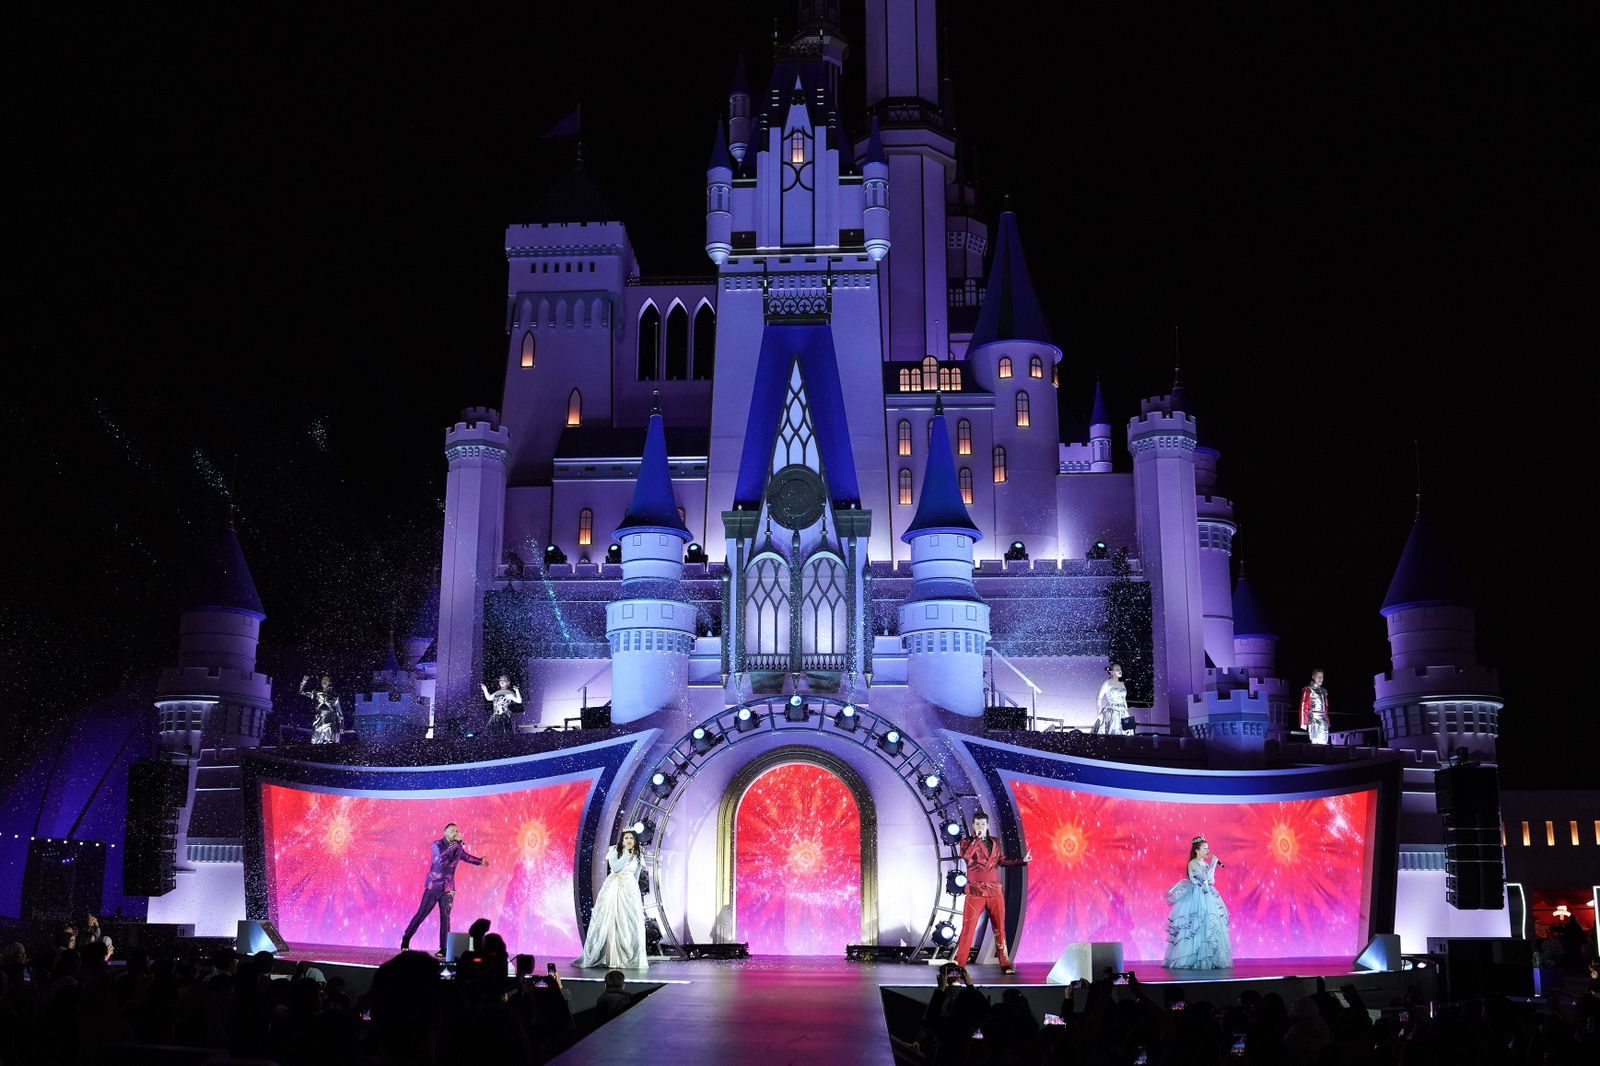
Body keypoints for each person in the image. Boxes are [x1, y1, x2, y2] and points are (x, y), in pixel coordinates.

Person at [954, 812, 1031, 974]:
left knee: (1000, 929)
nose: (980, 827)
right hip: (976, 892)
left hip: (995, 891)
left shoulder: (995, 842)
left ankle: (1005, 964)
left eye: (983, 824)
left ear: (987, 825)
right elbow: (966, 857)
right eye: (977, 824)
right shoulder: (966, 842)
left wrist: (1022, 860)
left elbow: (1002, 861)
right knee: (968, 929)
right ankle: (960, 965)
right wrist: (977, 840)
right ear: (973, 825)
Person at [400, 823, 489, 958]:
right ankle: (406, 938)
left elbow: (467, 857)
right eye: (452, 830)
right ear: (445, 832)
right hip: (434, 886)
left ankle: (444, 948)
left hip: (448, 888)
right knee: (422, 914)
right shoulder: (437, 845)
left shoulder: (457, 848)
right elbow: (441, 857)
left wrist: (480, 861)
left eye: (457, 831)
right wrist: (456, 845)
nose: (455, 833)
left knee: (445, 918)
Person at [577, 830, 648, 969]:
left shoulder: (639, 853)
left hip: (630, 889)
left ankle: (628, 956)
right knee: (612, 919)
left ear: (635, 840)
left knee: (630, 922)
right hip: (614, 887)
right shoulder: (615, 850)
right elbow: (615, 868)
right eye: (626, 838)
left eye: (631, 838)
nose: (629, 840)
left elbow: (637, 875)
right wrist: (626, 853)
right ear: (622, 840)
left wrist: (635, 893)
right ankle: (611, 956)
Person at [1163, 835, 1231, 970]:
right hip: (1196, 896)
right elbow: (1205, 878)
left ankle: (1209, 958)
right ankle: (1192, 958)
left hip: (1208, 895)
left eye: (1208, 848)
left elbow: (1211, 881)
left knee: (1209, 925)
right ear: (1197, 850)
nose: (1207, 851)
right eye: (1205, 848)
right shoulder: (1193, 863)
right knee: (1196, 925)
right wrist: (1213, 864)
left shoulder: (1205, 864)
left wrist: (1212, 865)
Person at [299, 674, 343, 744]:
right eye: (323, 679)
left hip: (329, 723)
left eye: (326, 679)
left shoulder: (335, 696)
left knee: (329, 743)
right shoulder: (316, 693)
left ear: (330, 682)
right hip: (318, 722)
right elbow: (301, 692)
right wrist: (304, 681)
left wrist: (341, 726)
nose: (324, 681)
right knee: (315, 742)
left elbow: (339, 713)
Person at [1094, 663, 1130, 735]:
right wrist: (1099, 713)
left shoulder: (1122, 684)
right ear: (1112, 672)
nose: (1120, 671)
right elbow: (1098, 698)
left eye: (1120, 669)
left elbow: (1124, 700)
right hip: (1111, 712)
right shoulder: (1107, 683)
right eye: (1117, 669)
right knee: (1112, 734)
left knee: (1125, 734)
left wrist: (1127, 714)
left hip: (1123, 713)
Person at [1300, 668, 1330, 745]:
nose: (1320, 678)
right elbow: (1304, 706)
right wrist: (1303, 722)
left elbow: (1326, 707)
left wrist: (1327, 720)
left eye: (1322, 677)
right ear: (1313, 677)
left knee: (1324, 741)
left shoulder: (1324, 691)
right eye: (1318, 676)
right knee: (1316, 742)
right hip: (1314, 719)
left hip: (1323, 720)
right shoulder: (1309, 689)